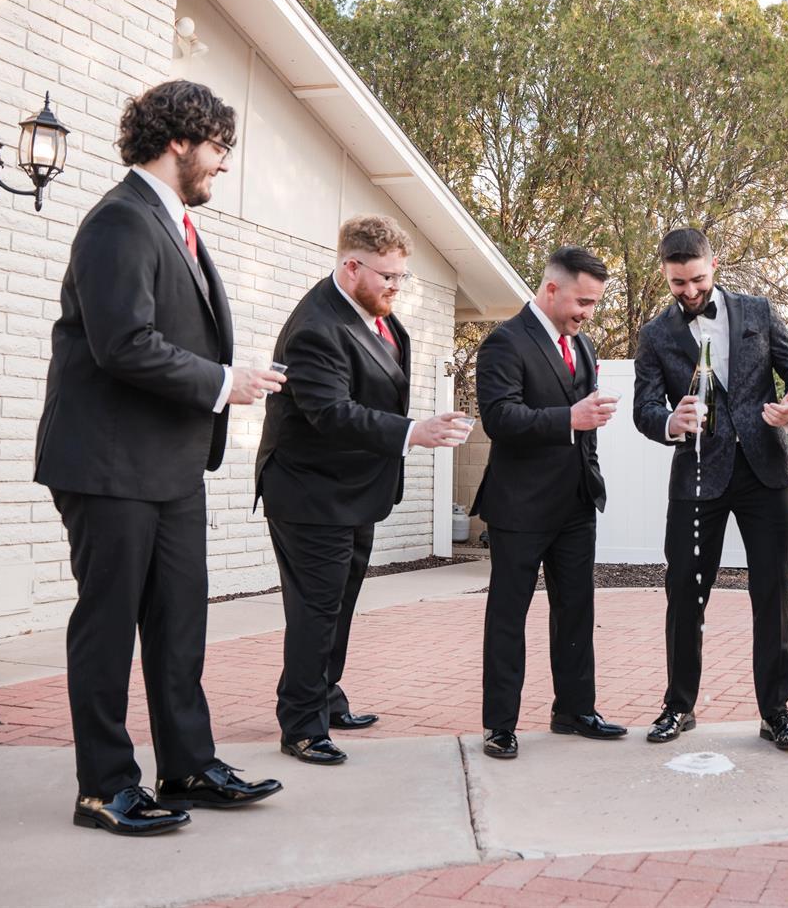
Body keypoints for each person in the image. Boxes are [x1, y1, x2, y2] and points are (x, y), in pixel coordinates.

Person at [35, 79, 284, 836]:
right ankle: (104, 785)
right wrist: (221, 382)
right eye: (218, 148)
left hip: (171, 467)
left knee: (180, 625)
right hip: (109, 466)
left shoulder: (172, 222)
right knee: (108, 627)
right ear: (179, 140)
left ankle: (187, 764)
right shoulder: (120, 219)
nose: (222, 164)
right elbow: (123, 343)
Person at [256, 215, 471, 765]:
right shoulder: (314, 327)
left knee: (341, 602)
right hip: (309, 493)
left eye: (403, 278)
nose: (396, 288)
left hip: (354, 488)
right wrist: (412, 434)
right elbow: (331, 413)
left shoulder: (381, 318)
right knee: (315, 608)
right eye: (388, 277)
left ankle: (326, 697)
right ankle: (301, 724)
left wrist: (412, 429)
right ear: (351, 267)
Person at [632, 228, 788, 749]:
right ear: (665, 276)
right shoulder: (655, 335)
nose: (688, 291)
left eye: (696, 280)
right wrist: (671, 419)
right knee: (685, 594)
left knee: (773, 594)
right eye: (676, 283)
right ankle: (678, 706)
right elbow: (644, 408)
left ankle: (776, 711)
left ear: (714, 266)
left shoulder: (758, 311)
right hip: (695, 478)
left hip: (765, 474)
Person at [472, 246, 624, 759]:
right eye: (583, 301)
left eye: (595, 304)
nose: (588, 313)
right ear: (552, 288)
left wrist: (591, 468)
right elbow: (499, 419)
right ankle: (500, 724)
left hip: (576, 503)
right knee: (509, 615)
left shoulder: (582, 345)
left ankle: (575, 710)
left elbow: (588, 419)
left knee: (577, 610)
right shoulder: (504, 342)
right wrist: (568, 419)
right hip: (519, 507)